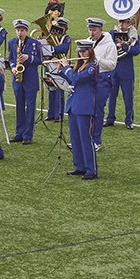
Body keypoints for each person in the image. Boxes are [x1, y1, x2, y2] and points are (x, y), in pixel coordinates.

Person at [60, 40, 99, 180]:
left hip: (84, 106)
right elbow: (70, 80)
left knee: (85, 138)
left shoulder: (93, 66)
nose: (82, 54)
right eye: (80, 51)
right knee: (75, 138)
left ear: (90, 51)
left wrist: (66, 68)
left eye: (84, 51)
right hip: (73, 105)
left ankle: (91, 169)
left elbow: (77, 79)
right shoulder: (79, 66)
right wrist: (57, 69)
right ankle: (79, 166)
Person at [8, 19, 42, 144]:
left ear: (26, 31)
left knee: (30, 107)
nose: (20, 33)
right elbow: (11, 58)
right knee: (19, 106)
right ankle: (19, 133)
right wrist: (12, 67)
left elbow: (40, 60)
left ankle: (28, 135)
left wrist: (29, 57)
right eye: (18, 30)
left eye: (22, 30)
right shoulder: (12, 42)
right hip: (18, 79)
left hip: (30, 80)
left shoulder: (34, 43)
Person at [87, 17, 117, 149]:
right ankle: (85, 139)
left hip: (103, 79)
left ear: (101, 30)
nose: (92, 32)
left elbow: (111, 65)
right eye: (90, 29)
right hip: (88, 78)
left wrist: (96, 58)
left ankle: (96, 141)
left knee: (97, 111)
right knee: (86, 110)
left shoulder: (110, 45)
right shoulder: (87, 42)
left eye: (94, 30)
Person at [105, 18, 140, 130]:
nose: (121, 24)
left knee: (128, 97)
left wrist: (125, 46)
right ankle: (110, 118)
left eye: (124, 22)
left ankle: (129, 120)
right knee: (111, 97)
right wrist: (117, 45)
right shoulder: (112, 33)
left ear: (128, 23)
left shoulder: (133, 36)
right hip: (113, 70)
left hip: (126, 71)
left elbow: (136, 51)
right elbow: (107, 46)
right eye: (120, 22)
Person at [44, 17, 71, 121]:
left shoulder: (66, 38)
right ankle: (50, 113)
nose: (60, 29)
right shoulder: (51, 36)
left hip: (60, 65)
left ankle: (59, 115)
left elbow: (64, 48)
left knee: (59, 90)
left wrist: (51, 49)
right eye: (58, 26)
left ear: (65, 29)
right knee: (51, 88)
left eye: (62, 27)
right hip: (50, 63)